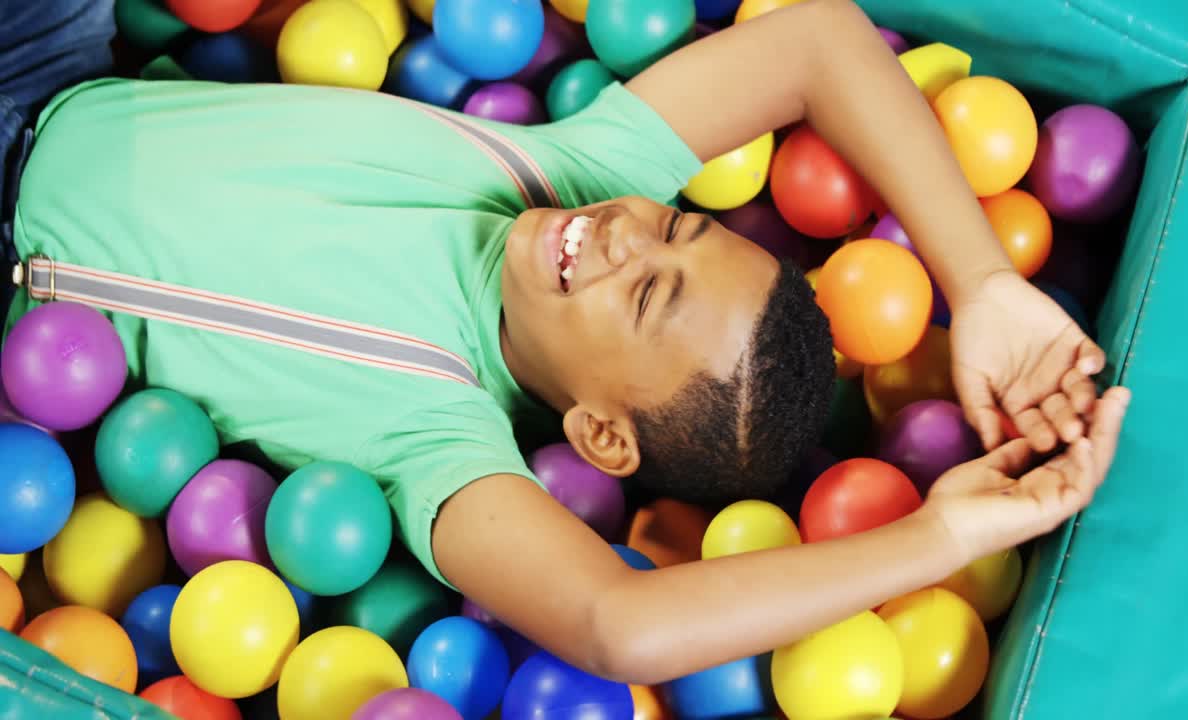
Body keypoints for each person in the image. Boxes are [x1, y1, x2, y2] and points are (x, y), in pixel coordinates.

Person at [1, 0, 1130, 684]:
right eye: (680, 225)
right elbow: (820, 40)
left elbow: (619, 626)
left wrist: (934, 542)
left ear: (597, 431)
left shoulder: (437, 439)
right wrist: (980, 282)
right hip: (48, 66)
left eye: (647, 300)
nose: (624, 240)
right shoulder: (569, 165)